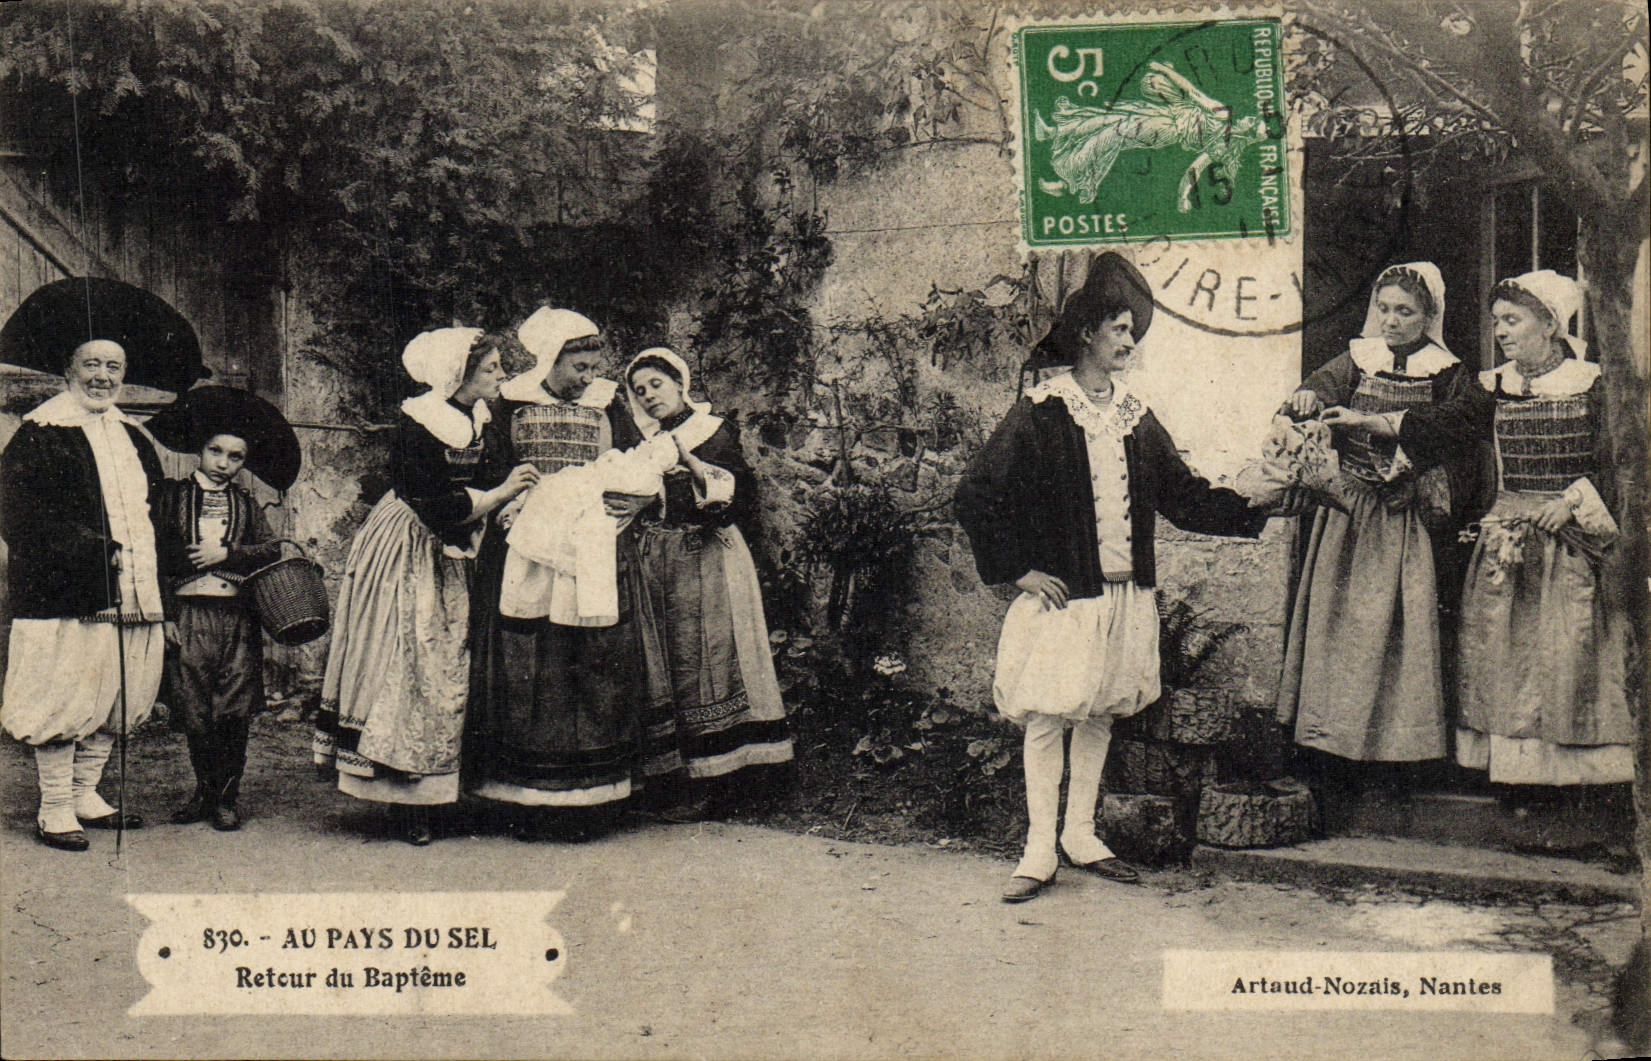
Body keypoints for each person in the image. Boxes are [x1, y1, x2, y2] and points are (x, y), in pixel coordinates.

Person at [955, 252, 1273, 903]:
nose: (1128, 342)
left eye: (1133, 332)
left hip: (1123, 596)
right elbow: (977, 492)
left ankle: (1079, 832)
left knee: (1098, 713)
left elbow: (1181, 495)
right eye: (1119, 329)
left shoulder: (1134, 416)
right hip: (1066, 600)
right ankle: (1038, 846)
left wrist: (1257, 504)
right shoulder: (1041, 411)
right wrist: (1016, 569)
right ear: (1085, 333)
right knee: (1048, 715)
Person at [1397, 270, 1632, 785]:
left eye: (1512, 320)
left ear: (1549, 324)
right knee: (1505, 654)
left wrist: (1572, 503)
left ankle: (1578, 780)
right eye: (1496, 321)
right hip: (1508, 536)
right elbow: (1441, 427)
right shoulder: (1494, 386)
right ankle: (1518, 777)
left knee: (1569, 650)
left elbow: (1622, 461)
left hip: (1574, 541)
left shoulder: (1593, 385)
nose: (1500, 331)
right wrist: (1380, 423)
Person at [314, 328, 536, 845]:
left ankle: (439, 791)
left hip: (457, 546)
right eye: (492, 369)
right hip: (411, 544)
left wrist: (509, 497)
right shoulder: (419, 422)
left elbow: (492, 477)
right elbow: (438, 504)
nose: (502, 377)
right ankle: (403, 796)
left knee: (447, 661)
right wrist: (502, 493)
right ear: (458, 375)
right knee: (408, 655)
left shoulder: (482, 419)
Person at [1275, 262, 1478, 765]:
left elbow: (1464, 443)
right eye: (1383, 309)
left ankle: (1394, 754)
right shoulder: (1356, 359)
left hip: (1399, 517)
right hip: (1346, 514)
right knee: (1337, 627)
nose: (1391, 321)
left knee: (1394, 633)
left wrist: (1421, 479)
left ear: (1428, 315)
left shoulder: (1449, 373)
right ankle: (1329, 749)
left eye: (1404, 312)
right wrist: (1307, 397)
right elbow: (1316, 392)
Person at [467, 308, 653, 839]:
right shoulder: (509, 405)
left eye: (594, 366)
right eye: (578, 366)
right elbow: (490, 469)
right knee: (526, 662)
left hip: (591, 547)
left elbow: (638, 463)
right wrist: (508, 501)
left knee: (591, 658)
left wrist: (638, 503)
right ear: (550, 359)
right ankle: (523, 799)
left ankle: (592, 798)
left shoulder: (607, 404)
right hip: (524, 548)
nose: (588, 377)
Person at [1, 339, 165, 851]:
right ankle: (53, 808)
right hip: (64, 593)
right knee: (64, 691)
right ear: (68, 368)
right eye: (91, 364)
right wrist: (93, 548)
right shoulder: (40, 434)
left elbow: (151, 507)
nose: (102, 376)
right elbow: (17, 512)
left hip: (132, 589)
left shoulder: (131, 436)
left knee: (117, 689)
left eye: (113, 366)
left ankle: (85, 793)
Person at [623, 347, 794, 818]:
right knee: (674, 663)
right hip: (662, 562)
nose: (649, 396)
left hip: (709, 558)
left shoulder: (713, 432)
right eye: (639, 391)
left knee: (713, 659)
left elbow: (733, 494)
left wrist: (691, 468)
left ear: (680, 383)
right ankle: (680, 779)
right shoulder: (647, 440)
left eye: (656, 385)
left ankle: (726, 777)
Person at [155, 429, 281, 830]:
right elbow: (154, 553)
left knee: (234, 708)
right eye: (216, 451)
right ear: (200, 450)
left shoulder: (245, 503)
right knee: (194, 707)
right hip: (189, 614)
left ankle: (227, 797)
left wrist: (227, 553)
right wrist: (165, 615)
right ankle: (204, 792)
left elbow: (271, 548)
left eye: (236, 456)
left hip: (237, 617)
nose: (224, 462)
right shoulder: (172, 497)